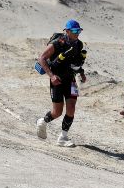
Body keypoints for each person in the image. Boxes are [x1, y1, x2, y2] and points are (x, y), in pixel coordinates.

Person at [35, 19, 87, 147]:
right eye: (75, 31)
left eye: (79, 31)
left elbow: (76, 62)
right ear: (67, 31)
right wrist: (51, 76)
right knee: (57, 112)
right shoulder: (58, 43)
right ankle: (43, 121)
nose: (77, 33)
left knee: (71, 108)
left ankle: (63, 137)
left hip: (71, 79)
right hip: (57, 80)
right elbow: (41, 58)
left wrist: (81, 73)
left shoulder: (79, 44)